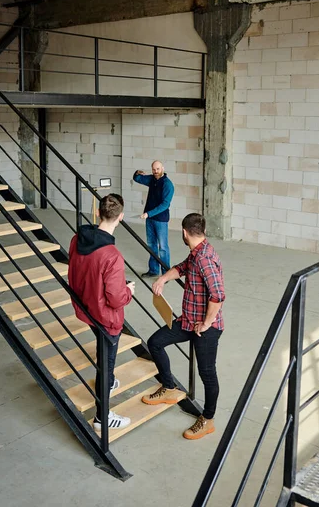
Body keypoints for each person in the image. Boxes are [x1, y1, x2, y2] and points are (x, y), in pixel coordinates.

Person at [142, 213, 225, 440]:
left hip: (205, 328)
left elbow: (218, 295)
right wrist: (162, 279)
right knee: (155, 343)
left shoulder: (205, 258)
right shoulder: (197, 252)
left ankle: (207, 419)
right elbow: (182, 267)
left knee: (207, 373)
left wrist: (206, 323)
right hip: (188, 322)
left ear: (184, 232)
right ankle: (168, 388)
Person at [68, 193, 135, 431]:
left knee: (102, 353)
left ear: (98, 213)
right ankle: (102, 417)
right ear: (121, 218)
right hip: (105, 317)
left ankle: (108, 380)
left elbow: (78, 269)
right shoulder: (112, 256)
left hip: (86, 307)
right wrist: (128, 291)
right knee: (106, 363)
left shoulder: (77, 239)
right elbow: (116, 299)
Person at [133, 160, 174, 278]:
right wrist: (137, 173)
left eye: (158, 169)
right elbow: (138, 179)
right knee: (151, 245)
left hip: (160, 220)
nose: (156, 171)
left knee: (163, 248)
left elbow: (165, 204)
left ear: (163, 168)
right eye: (154, 169)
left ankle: (166, 274)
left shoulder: (167, 184)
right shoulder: (152, 179)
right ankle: (153, 270)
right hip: (150, 219)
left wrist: (148, 214)